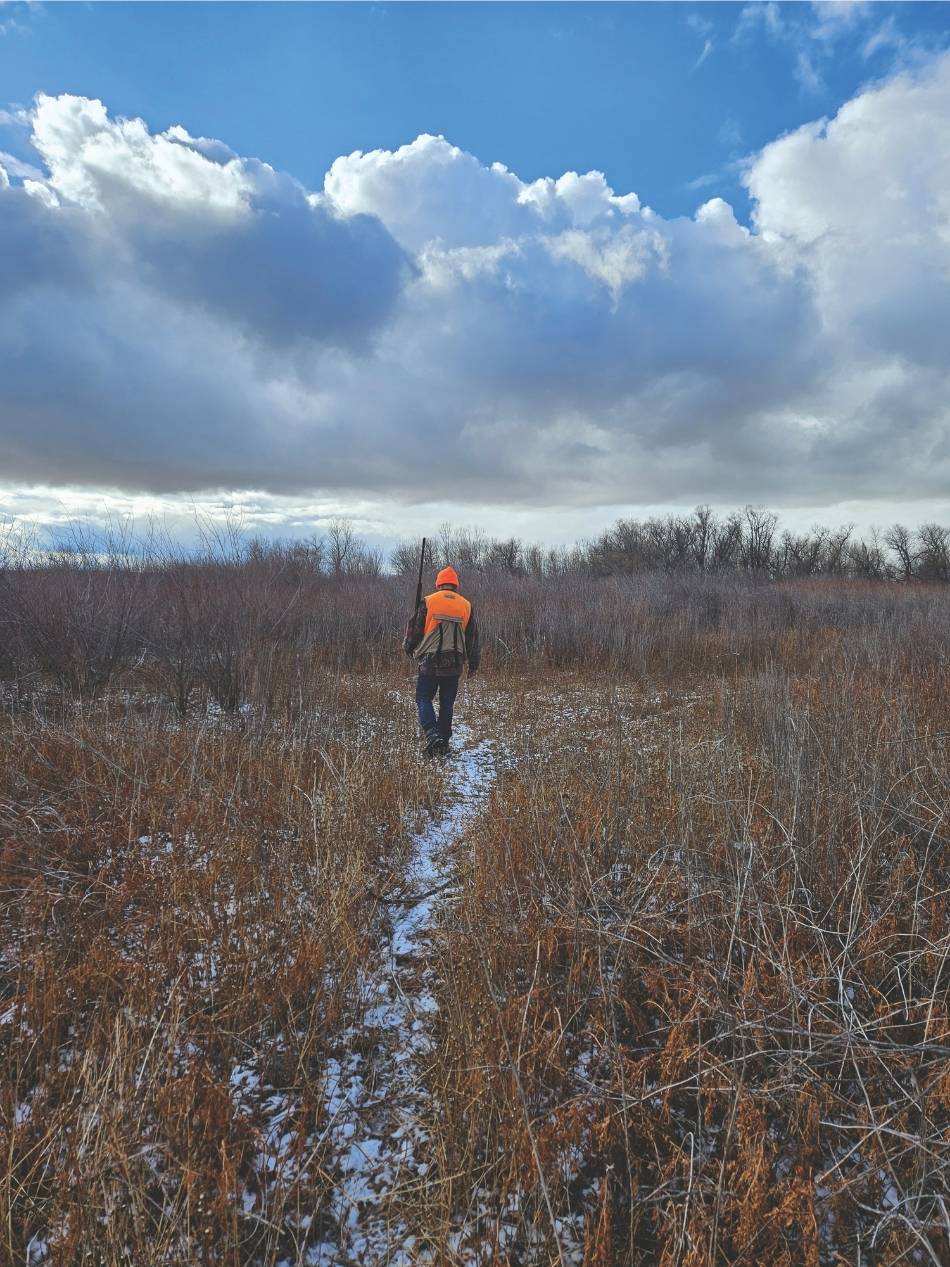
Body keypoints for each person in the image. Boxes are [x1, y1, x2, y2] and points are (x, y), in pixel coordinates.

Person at [403, 565, 480, 756]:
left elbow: (415, 631)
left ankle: (432, 733)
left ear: (438, 584)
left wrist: (408, 648)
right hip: (454, 664)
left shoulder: (428, 601)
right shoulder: (466, 605)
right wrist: (474, 664)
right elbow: (473, 639)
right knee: (447, 704)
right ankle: (443, 743)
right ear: (455, 585)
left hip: (429, 661)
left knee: (423, 698)